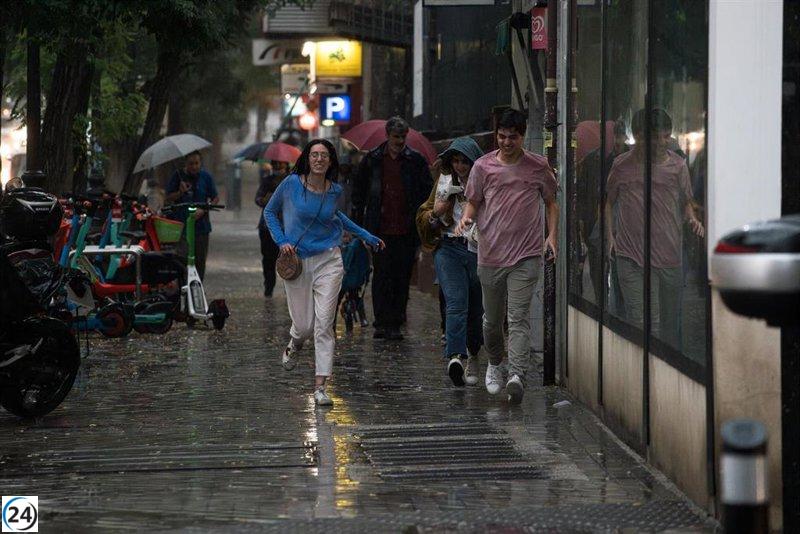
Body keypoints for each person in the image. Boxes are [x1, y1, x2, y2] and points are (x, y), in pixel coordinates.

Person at [264, 139, 385, 407]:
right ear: (307, 159)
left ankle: (320, 385)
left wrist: (366, 235)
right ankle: (294, 344)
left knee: (323, 323)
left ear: (331, 161)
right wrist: (281, 240)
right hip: (296, 260)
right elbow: (270, 212)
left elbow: (338, 218)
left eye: (324, 155)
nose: (319, 159)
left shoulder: (335, 190)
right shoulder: (291, 184)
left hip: (329, 260)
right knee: (305, 326)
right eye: (314, 155)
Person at [456, 109, 559, 404]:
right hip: (491, 254)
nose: (506, 142)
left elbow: (551, 202)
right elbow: (473, 201)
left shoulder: (538, 166)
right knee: (491, 321)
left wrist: (551, 236)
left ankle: (517, 375)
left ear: (522, 136)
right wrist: (466, 219)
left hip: (526, 255)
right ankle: (495, 363)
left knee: (518, 317)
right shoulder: (482, 167)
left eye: (512, 137)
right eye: (501, 136)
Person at [604, 108, 703, 349]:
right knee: (645, 321)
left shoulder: (678, 167)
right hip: (631, 256)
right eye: (654, 137)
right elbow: (608, 202)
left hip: (668, 255)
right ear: (638, 136)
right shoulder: (621, 165)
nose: (660, 143)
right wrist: (610, 238)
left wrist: (693, 219)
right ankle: (642, 376)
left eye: (665, 136)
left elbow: (686, 202)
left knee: (669, 324)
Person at [351, 116, 433, 341]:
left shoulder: (415, 161)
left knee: (401, 277)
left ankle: (396, 321)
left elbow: (426, 193)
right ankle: (382, 322)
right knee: (381, 277)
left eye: (402, 137)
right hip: (379, 228)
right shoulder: (373, 160)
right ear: (388, 136)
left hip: (406, 229)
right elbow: (359, 193)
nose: (399, 141)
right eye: (396, 137)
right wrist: (357, 226)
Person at [417, 137, 484, 387]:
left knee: (476, 306)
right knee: (455, 302)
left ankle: (474, 354)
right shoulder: (443, 182)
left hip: (478, 249)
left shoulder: (486, 181)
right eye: (455, 161)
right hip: (448, 247)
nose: (459, 166)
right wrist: (437, 212)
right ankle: (455, 356)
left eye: (464, 161)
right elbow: (425, 215)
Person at [165, 151, 219, 280]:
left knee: (200, 261)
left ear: (200, 163)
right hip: (181, 227)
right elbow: (169, 197)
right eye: (191, 164)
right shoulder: (177, 176)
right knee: (182, 259)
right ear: (186, 164)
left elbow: (215, 198)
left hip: (201, 228)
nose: (194, 166)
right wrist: (180, 192)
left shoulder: (206, 177)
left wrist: (204, 209)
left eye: (196, 163)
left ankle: (198, 288)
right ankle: (183, 288)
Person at [255, 159, 291, 297]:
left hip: (287, 227)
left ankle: (290, 289)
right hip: (267, 227)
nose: (277, 166)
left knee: (289, 260)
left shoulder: (292, 180)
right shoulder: (267, 181)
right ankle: (269, 287)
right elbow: (258, 199)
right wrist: (265, 200)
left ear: (286, 164)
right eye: (275, 163)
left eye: (280, 163)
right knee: (268, 259)